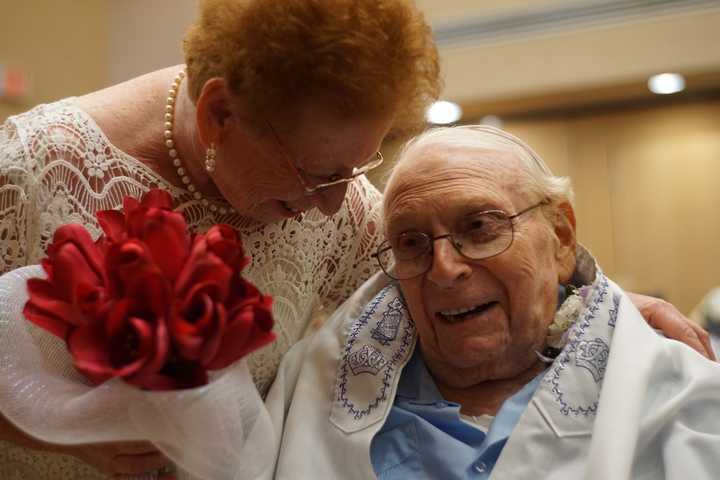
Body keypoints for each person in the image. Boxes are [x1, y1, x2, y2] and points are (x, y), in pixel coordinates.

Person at [0, 0, 709, 477]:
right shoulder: (27, 171)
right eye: (317, 173)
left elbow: (472, 249)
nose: (339, 204)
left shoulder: (337, 208)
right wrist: (33, 433)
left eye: (358, 167)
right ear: (218, 112)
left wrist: (601, 299)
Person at [263, 125, 720, 479]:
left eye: (480, 228)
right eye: (412, 242)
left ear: (561, 238)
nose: (443, 267)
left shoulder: (679, 399)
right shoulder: (315, 392)